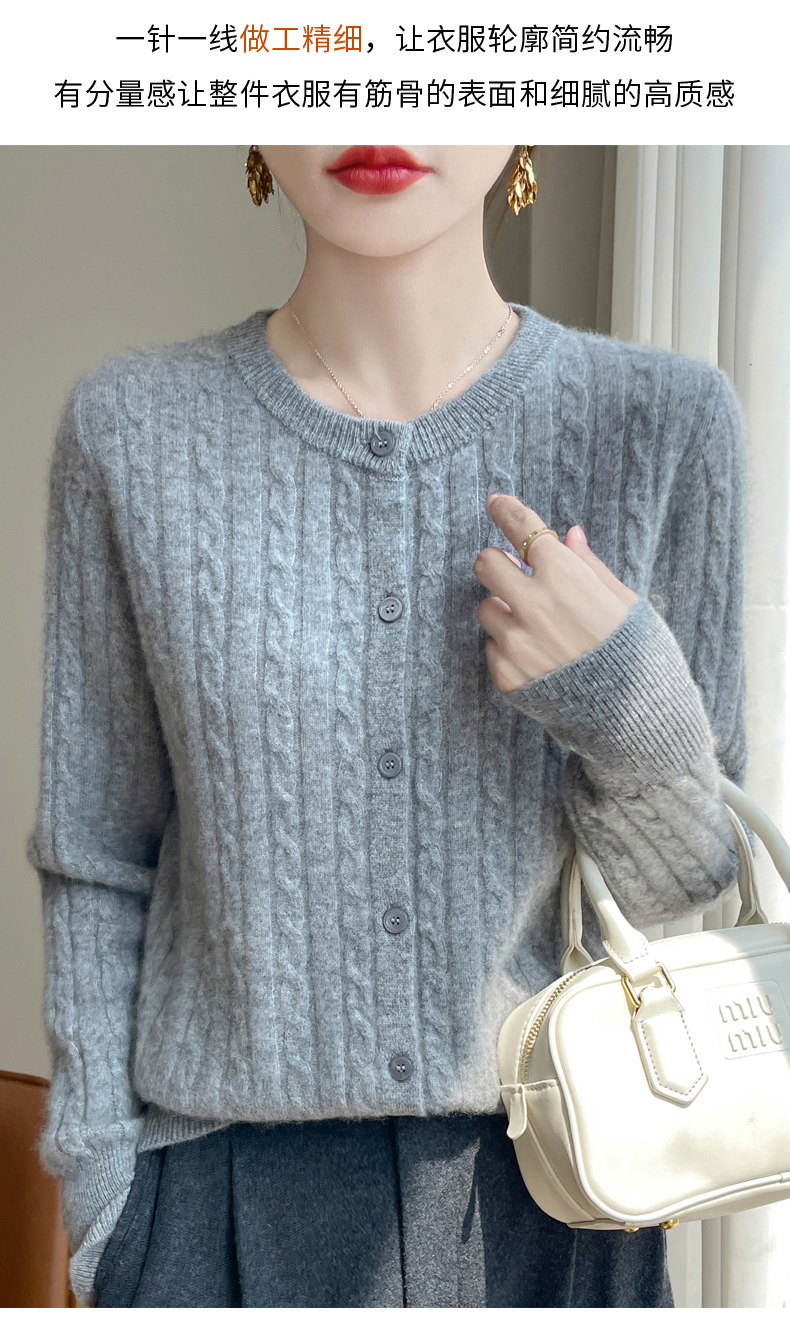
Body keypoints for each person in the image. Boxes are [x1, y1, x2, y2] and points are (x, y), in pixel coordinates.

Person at [26, 144, 750, 1309]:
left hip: (556, 1196)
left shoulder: (661, 418)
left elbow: (681, 890)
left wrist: (626, 702)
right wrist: (105, 1200)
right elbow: (101, 852)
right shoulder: (134, 430)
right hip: (209, 1205)